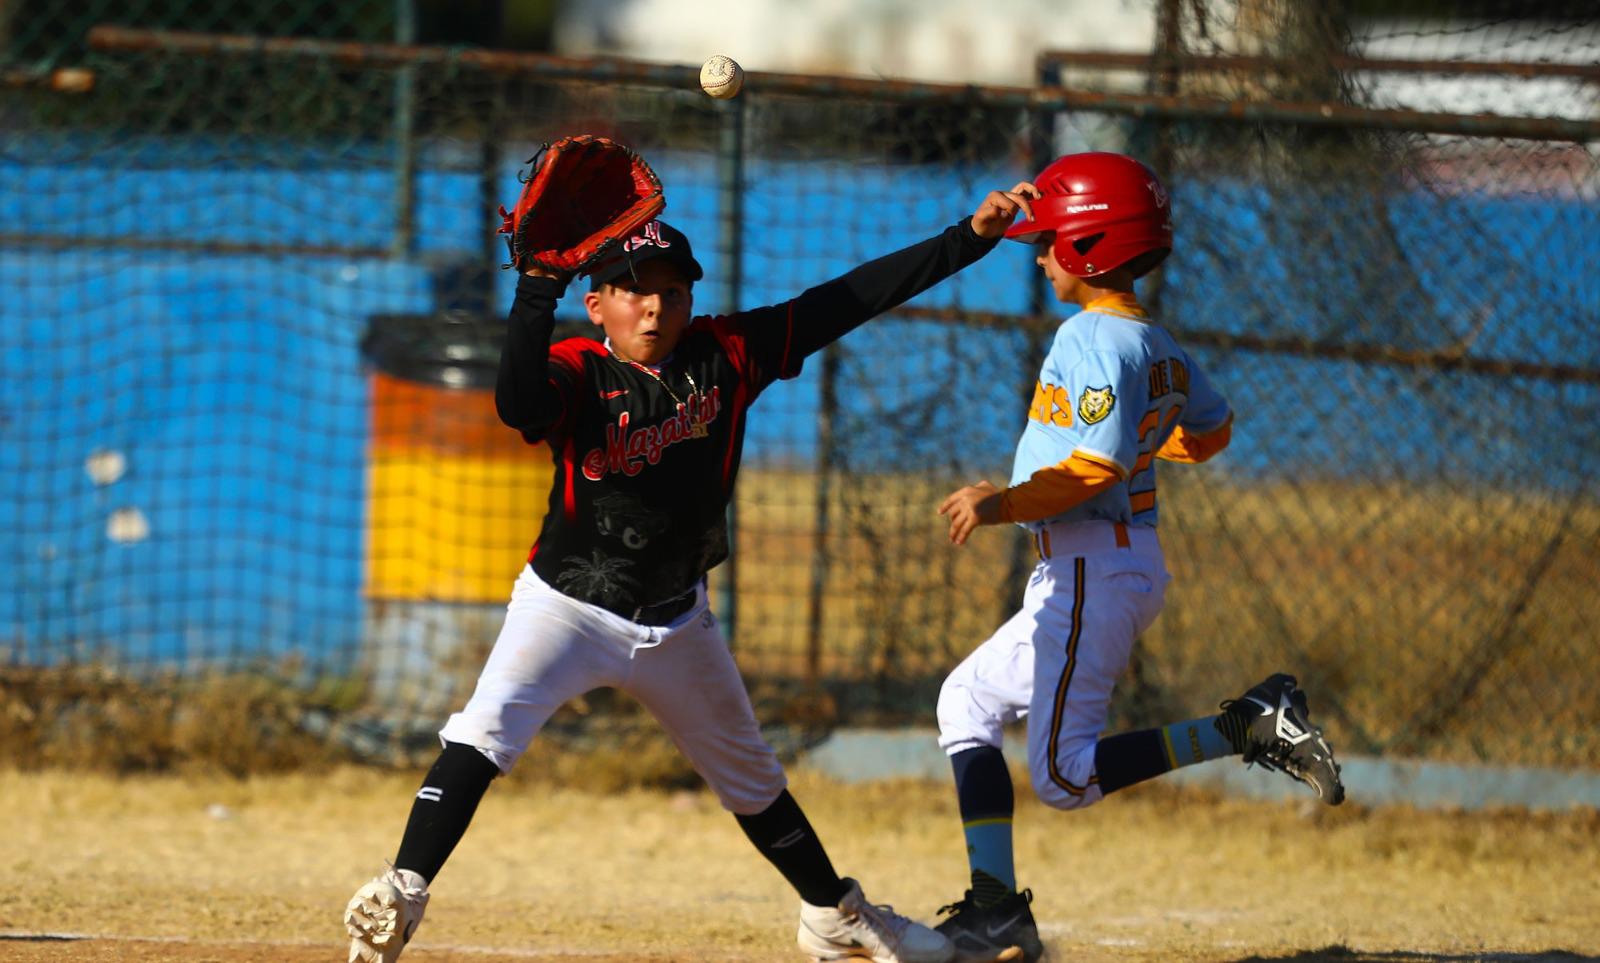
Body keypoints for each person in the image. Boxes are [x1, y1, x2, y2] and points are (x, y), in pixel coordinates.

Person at [344, 177, 1042, 963]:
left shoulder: (727, 354)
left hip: (677, 622)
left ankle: (832, 912)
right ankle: (400, 893)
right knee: (483, 730)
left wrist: (970, 236)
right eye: (635, 293)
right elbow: (517, 403)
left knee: (754, 779)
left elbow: (845, 299)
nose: (655, 309)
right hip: (566, 608)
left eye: (672, 293)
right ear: (598, 302)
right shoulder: (577, 370)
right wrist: (537, 290)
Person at [927, 152, 1345, 963]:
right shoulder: (1152, 337)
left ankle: (1246, 725)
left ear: (1091, 246)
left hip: (1089, 565)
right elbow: (1213, 430)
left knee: (1065, 779)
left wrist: (1001, 501)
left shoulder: (1090, 336)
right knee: (965, 702)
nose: (1041, 255)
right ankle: (994, 910)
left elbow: (1094, 468)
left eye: (1050, 241)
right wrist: (1152, 437)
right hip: (1099, 564)